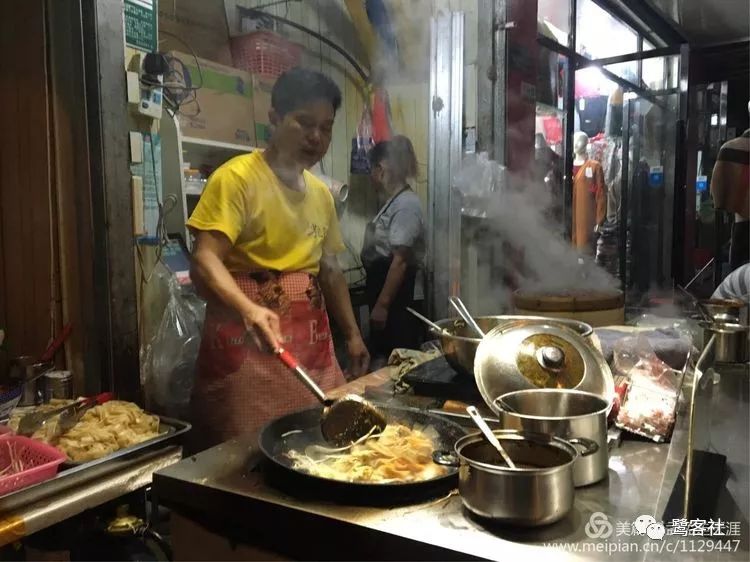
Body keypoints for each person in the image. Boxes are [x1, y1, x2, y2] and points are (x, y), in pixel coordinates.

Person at [187, 68, 369, 449]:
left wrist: (352, 334)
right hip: (245, 348)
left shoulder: (321, 194)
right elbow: (205, 259)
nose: (316, 137)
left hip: (311, 348)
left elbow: (331, 272)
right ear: (274, 117)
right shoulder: (236, 179)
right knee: (244, 457)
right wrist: (248, 309)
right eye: (304, 122)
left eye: (326, 127)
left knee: (318, 443)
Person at [361, 136, 425, 360]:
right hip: (385, 293)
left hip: (398, 302)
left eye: (372, 169)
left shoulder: (406, 204)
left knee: (398, 359)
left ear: (381, 168)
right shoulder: (393, 202)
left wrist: (382, 306)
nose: (371, 176)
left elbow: (400, 260)